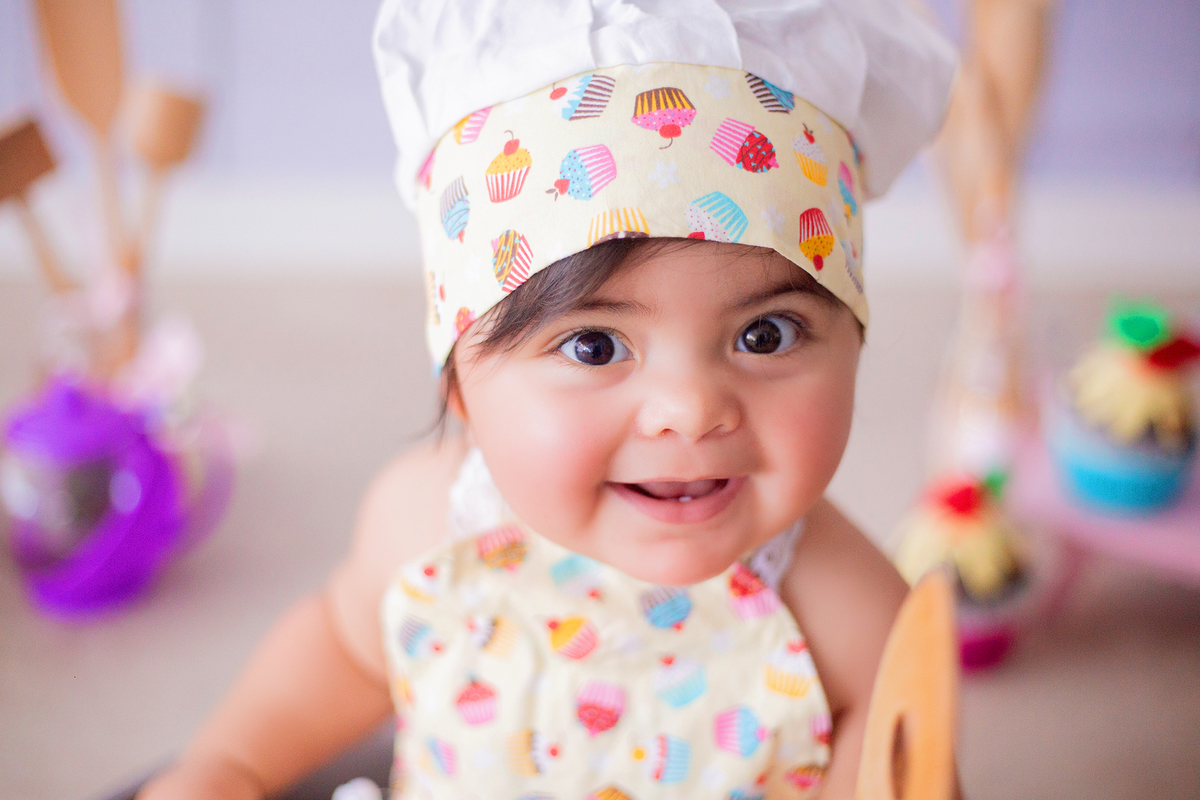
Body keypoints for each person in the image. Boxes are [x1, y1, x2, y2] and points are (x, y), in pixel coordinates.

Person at [140, 1, 956, 798]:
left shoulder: (849, 612)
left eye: (766, 335)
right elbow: (348, 651)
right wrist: (230, 766)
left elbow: (902, 763)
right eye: (594, 346)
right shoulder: (428, 528)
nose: (691, 408)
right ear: (460, 384)